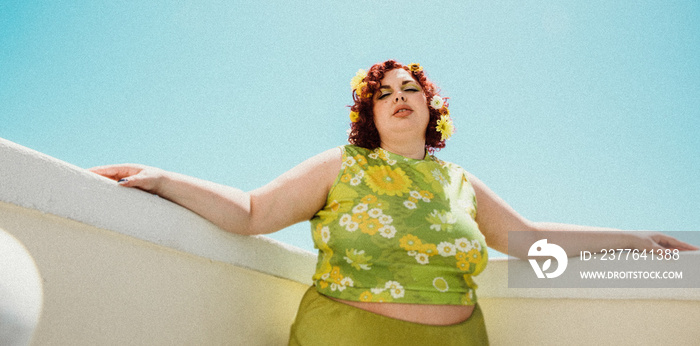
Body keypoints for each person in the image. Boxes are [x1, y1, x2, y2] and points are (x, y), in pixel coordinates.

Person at [90, 60, 697, 345]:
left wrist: (638, 241)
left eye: (411, 90)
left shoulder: (458, 180)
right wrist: (165, 178)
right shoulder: (341, 164)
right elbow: (252, 212)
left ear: (432, 110)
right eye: (384, 93)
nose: (399, 97)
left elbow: (532, 242)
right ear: (370, 113)